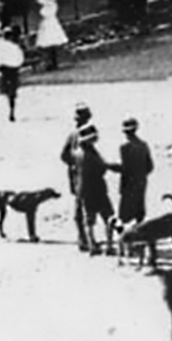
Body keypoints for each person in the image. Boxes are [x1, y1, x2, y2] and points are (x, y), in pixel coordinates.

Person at [75, 123, 120, 255]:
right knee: (108, 217)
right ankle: (110, 246)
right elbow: (101, 168)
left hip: (83, 190)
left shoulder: (78, 153)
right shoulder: (90, 154)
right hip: (97, 189)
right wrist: (116, 167)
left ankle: (92, 245)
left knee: (89, 220)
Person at [61, 103, 95, 250]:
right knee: (86, 206)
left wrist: (73, 164)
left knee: (79, 205)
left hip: (76, 174)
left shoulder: (72, 135)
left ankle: (82, 238)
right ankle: (86, 239)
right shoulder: (88, 133)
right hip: (84, 174)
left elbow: (64, 155)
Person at [118, 117, 154, 226]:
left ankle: (125, 238)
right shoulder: (143, 145)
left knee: (124, 213)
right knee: (140, 208)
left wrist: (122, 185)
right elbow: (150, 166)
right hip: (141, 181)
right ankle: (140, 234)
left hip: (129, 182)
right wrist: (141, 175)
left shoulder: (124, 147)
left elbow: (125, 169)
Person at [0, 24, 25, 122]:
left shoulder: (0, 47)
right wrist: (18, 65)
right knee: (13, 90)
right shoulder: (15, 47)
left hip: (5, 69)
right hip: (13, 70)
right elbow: (20, 58)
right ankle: (12, 107)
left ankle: (10, 104)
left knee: (7, 89)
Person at [34, 0, 68, 72]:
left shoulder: (52, 5)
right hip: (47, 23)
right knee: (48, 45)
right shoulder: (48, 4)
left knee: (51, 43)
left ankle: (53, 62)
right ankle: (51, 62)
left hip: (50, 24)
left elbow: (46, 13)